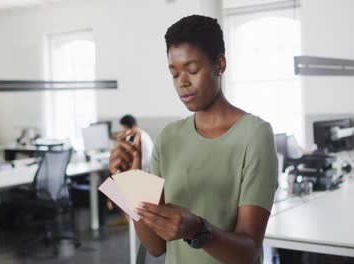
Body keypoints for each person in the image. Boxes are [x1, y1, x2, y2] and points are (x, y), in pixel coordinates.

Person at [109, 15, 278, 264]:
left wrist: (198, 231)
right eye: (174, 74)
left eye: (192, 70)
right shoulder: (168, 137)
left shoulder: (255, 135)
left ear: (219, 64)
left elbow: (248, 250)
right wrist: (130, 184)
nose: (182, 83)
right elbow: (156, 246)